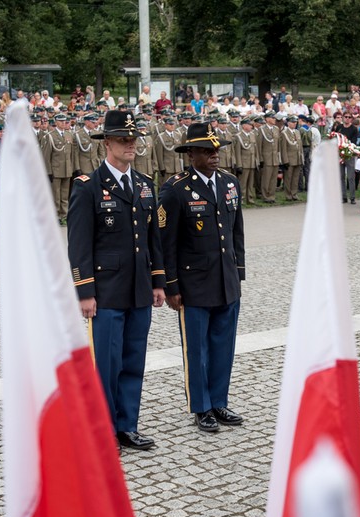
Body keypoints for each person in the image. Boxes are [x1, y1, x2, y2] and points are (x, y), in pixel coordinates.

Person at [67, 110, 165, 450]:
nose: (130, 145)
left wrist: (158, 281)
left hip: (139, 288)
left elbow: (153, 239)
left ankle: (127, 425)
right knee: (106, 365)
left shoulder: (144, 184)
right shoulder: (88, 186)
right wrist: (84, 291)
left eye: (133, 139)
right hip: (106, 291)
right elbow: (79, 244)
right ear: (107, 143)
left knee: (133, 360)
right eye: (123, 140)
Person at [158, 121, 245, 433]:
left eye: (216, 149)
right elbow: (166, 243)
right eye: (207, 150)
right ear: (191, 154)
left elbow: (236, 232)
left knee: (223, 346)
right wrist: (171, 286)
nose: (214, 155)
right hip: (193, 284)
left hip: (225, 281)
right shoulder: (175, 189)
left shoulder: (230, 183)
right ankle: (201, 406)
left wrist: (238, 272)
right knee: (197, 350)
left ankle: (219, 401)